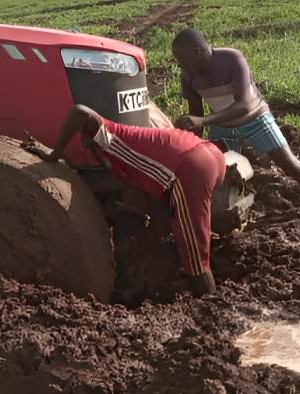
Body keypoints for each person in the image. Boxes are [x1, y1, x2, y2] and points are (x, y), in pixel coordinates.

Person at [48, 103, 225, 296]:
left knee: (195, 256)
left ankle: (211, 306)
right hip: (207, 153)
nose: (82, 142)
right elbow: (153, 196)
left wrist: (54, 155)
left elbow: (79, 112)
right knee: (177, 233)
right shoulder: (124, 151)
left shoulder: (108, 136)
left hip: (190, 167)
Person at [170, 28, 300, 206]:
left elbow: (244, 106)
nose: (180, 65)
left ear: (197, 52)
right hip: (222, 126)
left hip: (255, 119)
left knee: (288, 163)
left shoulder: (232, 59)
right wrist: (191, 143)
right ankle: (230, 215)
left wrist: (204, 121)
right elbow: (197, 115)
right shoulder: (188, 76)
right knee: (219, 174)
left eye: (183, 60)